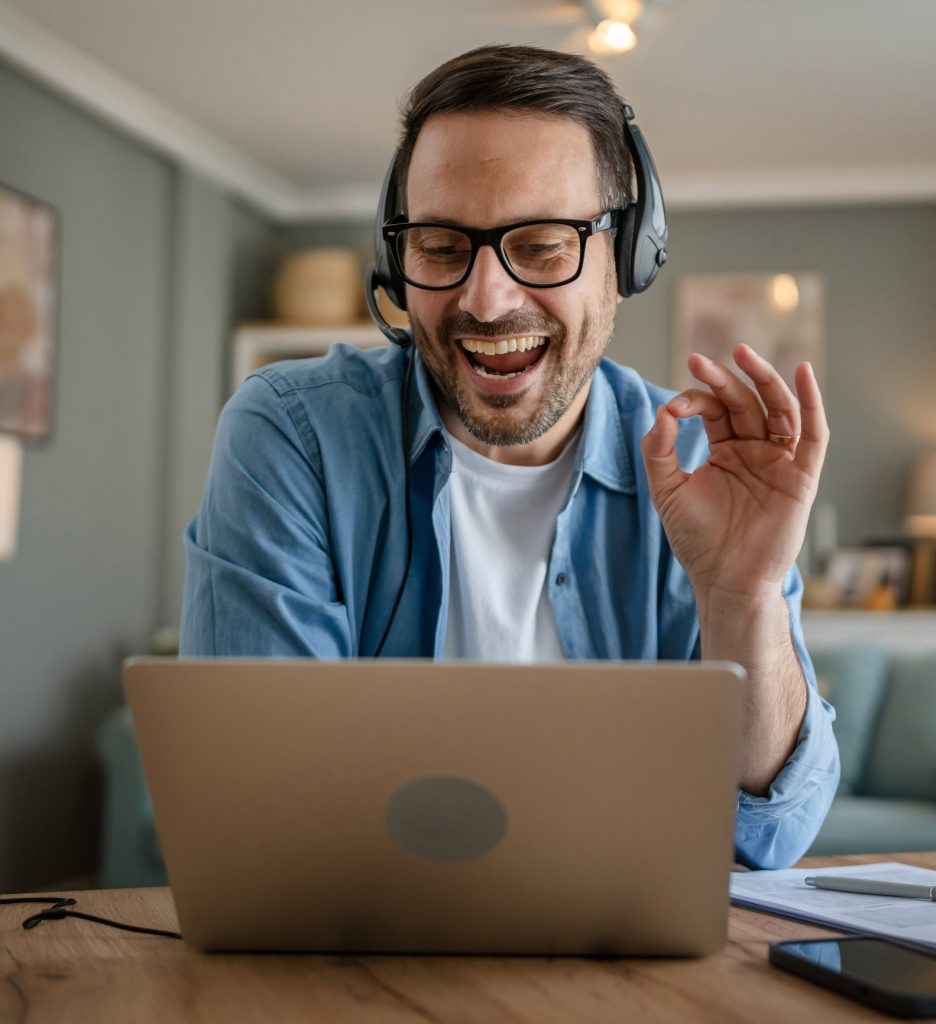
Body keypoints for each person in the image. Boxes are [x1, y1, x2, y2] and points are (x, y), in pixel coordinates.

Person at [181, 44, 838, 869]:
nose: (486, 300)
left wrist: (741, 599)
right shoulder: (292, 436)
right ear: (398, 259)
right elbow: (258, 811)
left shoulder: (706, 462)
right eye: (441, 246)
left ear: (626, 256)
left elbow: (769, 835)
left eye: (541, 244)